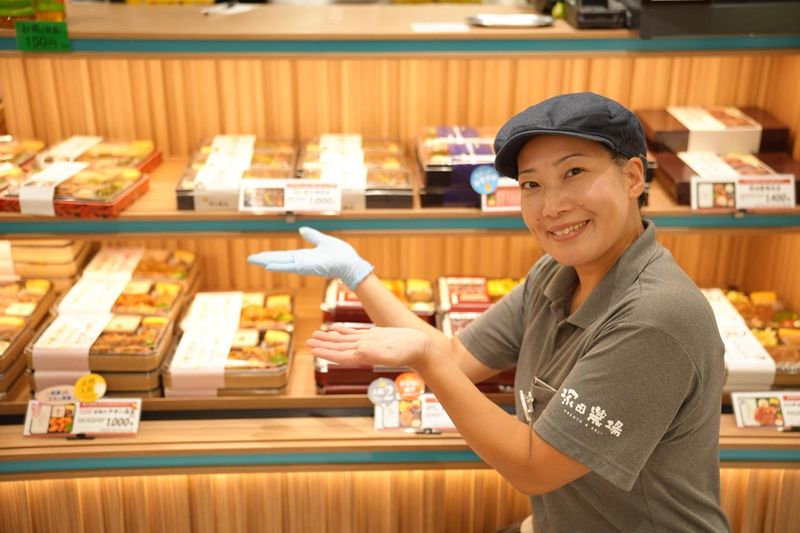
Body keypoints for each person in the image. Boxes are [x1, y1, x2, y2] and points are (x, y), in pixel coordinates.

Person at [248, 92, 730, 532]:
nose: (551, 206)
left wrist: (425, 359)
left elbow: (534, 467)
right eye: (531, 184)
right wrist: (358, 276)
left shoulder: (654, 318)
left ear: (632, 177)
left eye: (574, 173)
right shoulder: (557, 274)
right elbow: (458, 357)